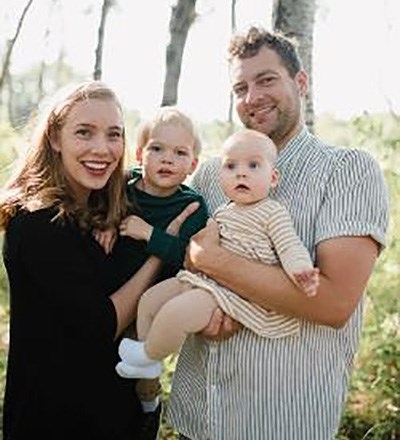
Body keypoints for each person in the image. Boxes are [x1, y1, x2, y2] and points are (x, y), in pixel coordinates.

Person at [167, 27, 389, 440]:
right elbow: (174, 250)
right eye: (240, 87)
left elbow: (333, 302)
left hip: (281, 420)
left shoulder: (347, 171)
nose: (252, 98)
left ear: (300, 82)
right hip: (198, 413)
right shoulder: (212, 174)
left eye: (266, 80)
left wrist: (212, 260)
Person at [0, 81, 198, 440]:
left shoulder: (107, 206)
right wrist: (156, 252)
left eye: (114, 134)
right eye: (84, 133)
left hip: (117, 409)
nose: (102, 149)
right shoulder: (37, 222)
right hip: (56, 417)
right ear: (55, 139)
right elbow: (102, 323)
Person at [116, 128, 320, 382]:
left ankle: (148, 354)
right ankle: (148, 364)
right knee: (149, 300)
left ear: (273, 178)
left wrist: (300, 269)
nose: (241, 173)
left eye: (254, 166)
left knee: (176, 313)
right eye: (231, 166)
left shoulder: (272, 213)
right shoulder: (222, 211)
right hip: (204, 281)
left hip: (232, 294)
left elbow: (289, 246)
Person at [106, 106, 208, 426]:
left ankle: (148, 409)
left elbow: (191, 260)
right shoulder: (121, 187)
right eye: (157, 148)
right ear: (139, 153)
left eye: (180, 153)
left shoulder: (191, 206)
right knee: (103, 361)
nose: (167, 159)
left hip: (155, 302)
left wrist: (150, 234)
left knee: (140, 361)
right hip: (111, 292)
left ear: (192, 164)